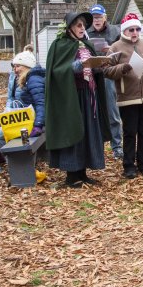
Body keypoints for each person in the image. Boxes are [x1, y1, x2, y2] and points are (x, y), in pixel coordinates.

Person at [45, 10, 111, 188]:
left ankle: (83, 172)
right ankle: (72, 175)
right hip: (70, 98)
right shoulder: (59, 46)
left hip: (89, 95)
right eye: (78, 25)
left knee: (87, 132)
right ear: (69, 28)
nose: (82, 28)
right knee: (74, 131)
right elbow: (56, 72)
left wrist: (99, 66)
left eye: (83, 25)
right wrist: (76, 66)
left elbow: (91, 70)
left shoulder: (86, 45)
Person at [104, 13, 143, 178]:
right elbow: (106, 70)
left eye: (137, 29)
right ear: (124, 30)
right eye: (131, 29)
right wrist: (123, 68)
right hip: (127, 96)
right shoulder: (115, 47)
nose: (135, 32)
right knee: (129, 132)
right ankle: (129, 166)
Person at [0, 49, 46, 164]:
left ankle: (17, 164)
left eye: (18, 66)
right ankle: (16, 163)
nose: (15, 69)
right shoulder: (29, 78)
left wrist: (38, 125)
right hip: (28, 119)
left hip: (34, 122)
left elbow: (41, 103)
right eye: (14, 66)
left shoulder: (33, 79)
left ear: (26, 65)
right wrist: (7, 120)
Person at [86, 3, 124, 160]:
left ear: (105, 18)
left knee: (112, 111)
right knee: (94, 112)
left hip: (108, 74)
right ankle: (98, 147)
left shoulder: (115, 31)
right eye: (94, 17)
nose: (97, 20)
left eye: (99, 17)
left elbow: (122, 51)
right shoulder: (86, 33)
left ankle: (117, 146)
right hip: (92, 74)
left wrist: (110, 50)